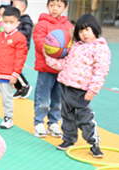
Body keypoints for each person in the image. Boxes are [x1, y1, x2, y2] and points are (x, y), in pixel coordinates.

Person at [45, 14, 110, 157]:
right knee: (66, 115)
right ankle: (69, 139)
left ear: (95, 29)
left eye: (87, 29)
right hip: (66, 86)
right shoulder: (75, 46)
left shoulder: (100, 48)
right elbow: (64, 64)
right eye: (80, 31)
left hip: (82, 90)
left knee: (85, 118)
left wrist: (93, 90)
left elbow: (101, 71)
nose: (84, 34)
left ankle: (93, 143)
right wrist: (49, 58)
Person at [31, 0, 72, 138]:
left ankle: (54, 122)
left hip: (62, 70)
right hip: (46, 67)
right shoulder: (43, 23)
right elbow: (38, 40)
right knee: (42, 97)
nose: (55, 8)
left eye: (59, 6)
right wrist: (49, 48)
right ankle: (39, 122)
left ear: (65, 8)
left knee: (58, 98)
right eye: (52, 5)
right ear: (47, 6)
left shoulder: (68, 25)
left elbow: (73, 42)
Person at [11, 0, 33, 99]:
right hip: (15, 47)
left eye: (15, 6)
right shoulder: (16, 20)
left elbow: (27, 32)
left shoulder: (26, 19)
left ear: (23, 7)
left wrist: (14, 31)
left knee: (14, 67)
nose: (13, 7)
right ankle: (19, 88)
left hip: (22, 48)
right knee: (11, 67)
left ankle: (25, 86)